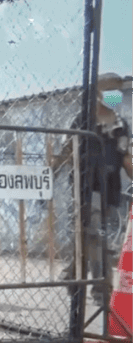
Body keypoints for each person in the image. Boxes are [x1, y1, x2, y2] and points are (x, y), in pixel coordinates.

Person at [60, 72, 133, 306]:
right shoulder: (83, 120)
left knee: (90, 237)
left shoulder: (121, 126)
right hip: (86, 189)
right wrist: (49, 172)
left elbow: (126, 158)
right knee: (97, 238)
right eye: (111, 90)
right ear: (98, 93)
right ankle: (102, 292)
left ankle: (72, 275)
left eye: (118, 92)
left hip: (110, 191)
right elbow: (66, 151)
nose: (115, 96)